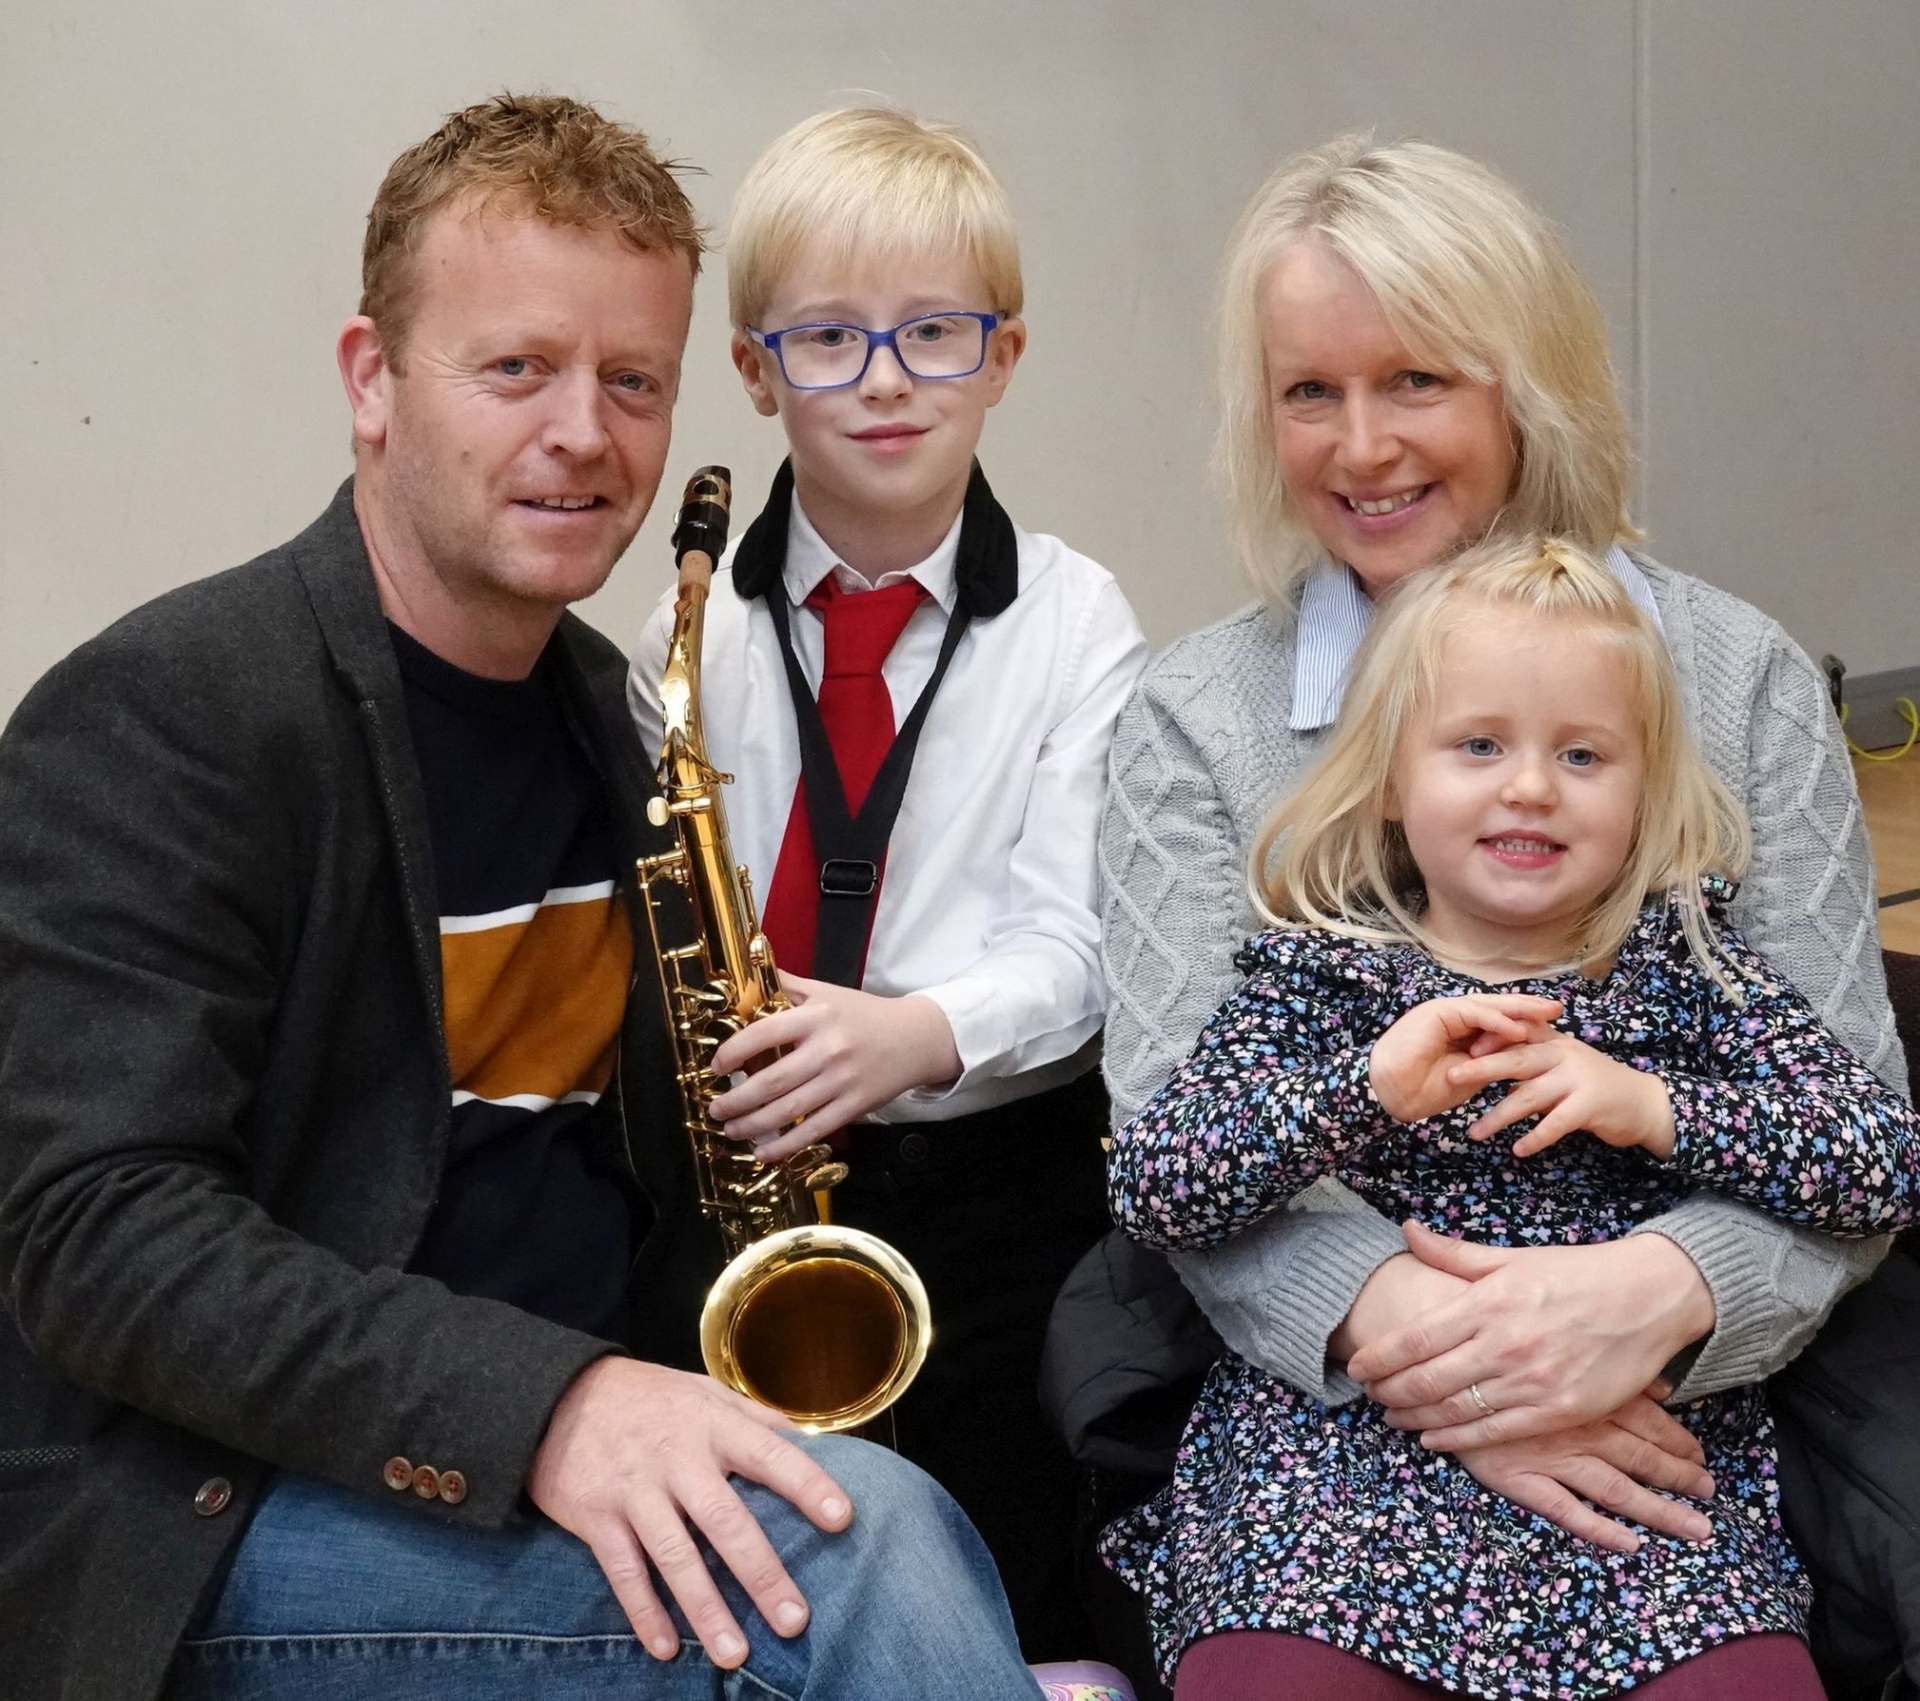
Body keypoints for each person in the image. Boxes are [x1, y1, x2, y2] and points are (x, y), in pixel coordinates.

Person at [0, 94, 1048, 1701]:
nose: (584, 432)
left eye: (633, 380)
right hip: (217, 1509)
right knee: (859, 1567)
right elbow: (95, 1233)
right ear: (371, 379)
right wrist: (549, 1405)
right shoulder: (167, 711)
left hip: (541, 1465)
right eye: (516, 369)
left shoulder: (610, 723)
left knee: (904, 1507)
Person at [1087, 135, 1909, 1607]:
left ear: (1530, 390)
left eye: (1416, 380)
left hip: (1688, 1419)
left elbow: (1853, 1136)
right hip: (1335, 1423)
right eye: (1309, 392)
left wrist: (1656, 1299)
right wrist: (1467, 1367)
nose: (1360, 447)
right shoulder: (1195, 718)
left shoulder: (1740, 678)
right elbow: (1179, 1144)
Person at [1103, 535, 1920, 1698]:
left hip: (1632, 1467)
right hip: (1344, 1463)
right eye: (1479, 745)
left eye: (1582, 754)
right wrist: (1360, 1092)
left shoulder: (1689, 965)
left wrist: (1658, 1108)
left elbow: (1883, 1161)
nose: (1530, 786)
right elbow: (1157, 1186)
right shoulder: (1322, 974)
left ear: (1643, 795)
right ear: (1393, 779)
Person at [629, 107, 1149, 1658]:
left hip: (997, 1199)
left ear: (1004, 355)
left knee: (1002, 1586)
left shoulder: (1074, 620)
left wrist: (911, 1033)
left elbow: (1081, 945)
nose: (882, 379)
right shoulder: (688, 636)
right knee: (755, 1597)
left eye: (933, 333)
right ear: (754, 369)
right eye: (828, 337)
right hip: (745, 1183)